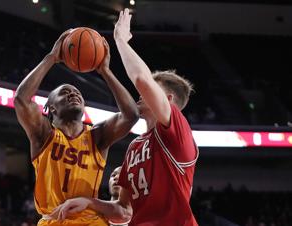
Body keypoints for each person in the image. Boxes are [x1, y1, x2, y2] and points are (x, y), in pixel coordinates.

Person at [50, 9, 199, 226]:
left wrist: (120, 40)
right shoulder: (135, 147)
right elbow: (123, 210)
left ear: (167, 99)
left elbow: (141, 79)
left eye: (152, 90)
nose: (141, 94)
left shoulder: (178, 133)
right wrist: (88, 201)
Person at [14, 29, 139, 226]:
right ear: (50, 107)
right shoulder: (43, 134)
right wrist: (52, 57)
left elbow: (131, 115)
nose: (74, 94)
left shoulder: (98, 136)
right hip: (54, 221)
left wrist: (105, 71)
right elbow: (21, 99)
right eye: (65, 92)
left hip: (90, 220)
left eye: (77, 93)